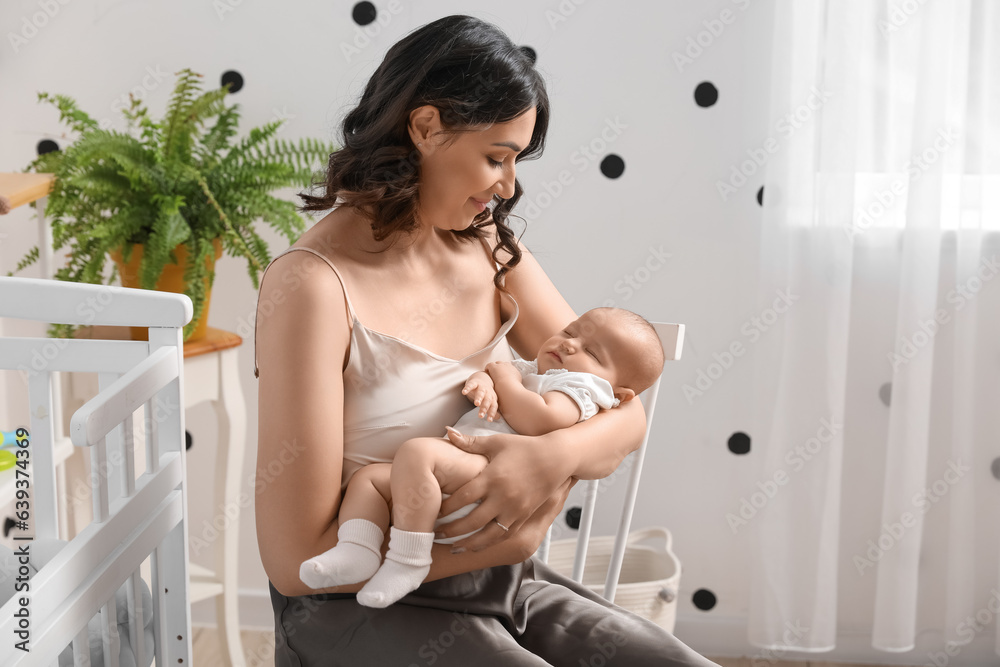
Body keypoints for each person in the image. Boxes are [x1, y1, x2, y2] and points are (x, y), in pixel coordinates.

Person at [254, 13, 721, 666]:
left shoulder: (489, 247)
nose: (506, 186)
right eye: (496, 157)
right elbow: (293, 560)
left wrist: (547, 462)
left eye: (514, 162)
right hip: (357, 607)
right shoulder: (311, 286)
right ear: (425, 127)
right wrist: (503, 537)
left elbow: (623, 405)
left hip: (505, 587)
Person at [298, 307, 666, 608]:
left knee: (417, 452)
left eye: (593, 353)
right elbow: (496, 376)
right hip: (458, 469)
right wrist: (487, 383)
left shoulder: (581, 389)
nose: (571, 345)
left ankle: (408, 561)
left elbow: (541, 419)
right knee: (371, 481)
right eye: (572, 331)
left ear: (617, 393)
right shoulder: (533, 371)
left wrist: (502, 380)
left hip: (490, 472)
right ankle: (356, 549)